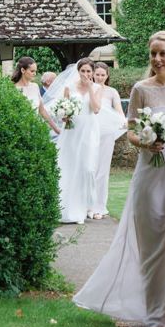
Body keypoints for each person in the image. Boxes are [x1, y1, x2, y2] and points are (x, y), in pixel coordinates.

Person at [73, 31, 165, 327]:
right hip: (152, 179)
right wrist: (147, 142)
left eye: (163, 53)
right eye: (153, 54)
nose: (158, 59)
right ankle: (158, 315)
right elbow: (132, 132)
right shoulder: (141, 90)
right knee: (154, 252)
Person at [54, 58, 103, 224]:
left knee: (87, 168)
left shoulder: (97, 88)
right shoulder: (69, 87)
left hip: (89, 131)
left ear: (92, 72)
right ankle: (66, 208)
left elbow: (96, 109)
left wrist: (90, 89)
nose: (86, 74)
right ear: (78, 71)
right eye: (83, 71)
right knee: (68, 166)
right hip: (72, 131)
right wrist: (64, 116)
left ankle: (84, 207)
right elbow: (63, 108)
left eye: (89, 71)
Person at [90, 61, 126, 220]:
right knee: (89, 168)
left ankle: (99, 205)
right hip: (89, 133)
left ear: (107, 76)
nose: (99, 77)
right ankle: (86, 204)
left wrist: (123, 120)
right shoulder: (87, 89)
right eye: (97, 74)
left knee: (102, 170)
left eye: (102, 75)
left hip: (106, 135)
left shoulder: (112, 92)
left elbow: (118, 110)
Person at [11, 56, 60, 135]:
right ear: (23, 70)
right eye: (32, 71)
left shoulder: (35, 86)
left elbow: (42, 111)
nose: (35, 74)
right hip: (20, 131)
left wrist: (56, 129)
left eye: (35, 71)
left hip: (36, 129)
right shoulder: (13, 89)